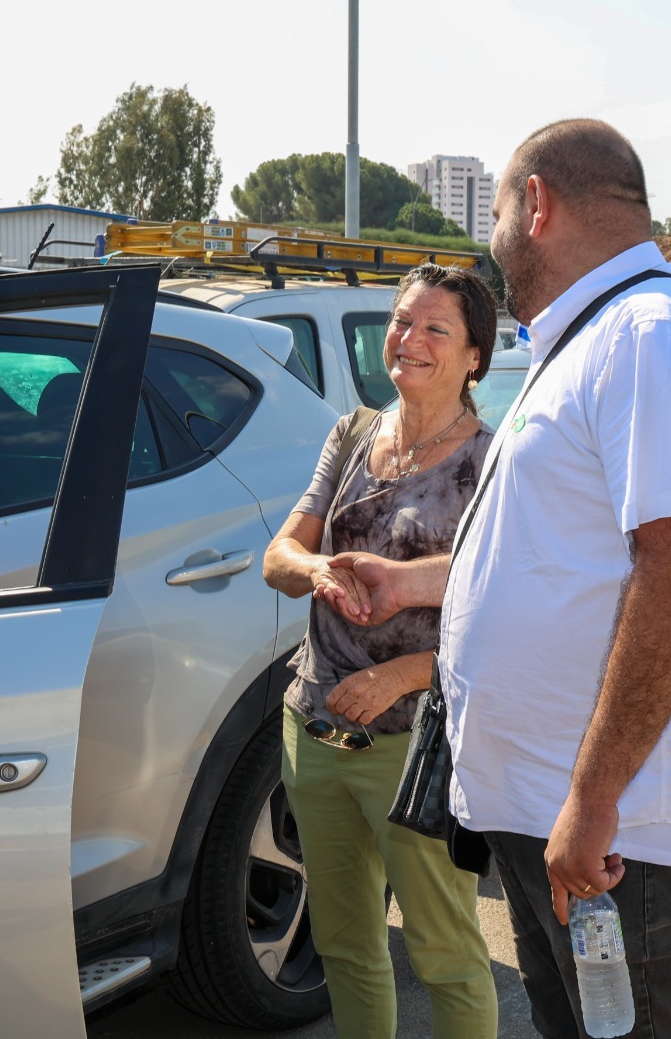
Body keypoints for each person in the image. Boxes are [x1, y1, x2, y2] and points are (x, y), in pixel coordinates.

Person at [319, 119, 671, 1038]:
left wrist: (596, 799)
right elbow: (562, 556)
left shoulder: (651, 336)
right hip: (553, 809)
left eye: (493, 211)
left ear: (536, 205)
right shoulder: (597, 336)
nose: (487, 239)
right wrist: (416, 585)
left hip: (613, 833)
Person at [262, 263, 500, 1038]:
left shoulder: (492, 465)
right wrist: (318, 570)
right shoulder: (353, 432)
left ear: (474, 357)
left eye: (437, 328)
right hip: (315, 727)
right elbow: (279, 557)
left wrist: (402, 674)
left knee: (444, 952)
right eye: (403, 321)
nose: (411, 340)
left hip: (416, 745)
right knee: (344, 945)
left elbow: (511, 618)